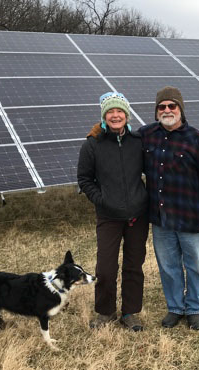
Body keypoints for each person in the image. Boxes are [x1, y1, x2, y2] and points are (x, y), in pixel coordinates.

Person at [139, 86, 199, 330]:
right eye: (162, 107)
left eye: (171, 106)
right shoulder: (146, 136)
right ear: (156, 112)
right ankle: (175, 307)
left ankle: (194, 308)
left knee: (195, 266)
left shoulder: (198, 139)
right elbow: (119, 138)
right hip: (161, 219)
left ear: (180, 110)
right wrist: (98, 133)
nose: (167, 110)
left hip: (192, 218)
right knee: (168, 266)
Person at [77, 92, 149, 332]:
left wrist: (143, 198)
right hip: (108, 217)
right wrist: (102, 200)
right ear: (104, 116)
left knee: (133, 266)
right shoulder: (92, 144)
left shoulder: (138, 142)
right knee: (105, 269)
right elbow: (84, 179)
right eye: (110, 111)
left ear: (127, 115)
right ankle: (106, 312)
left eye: (120, 111)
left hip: (138, 216)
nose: (115, 115)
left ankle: (130, 313)